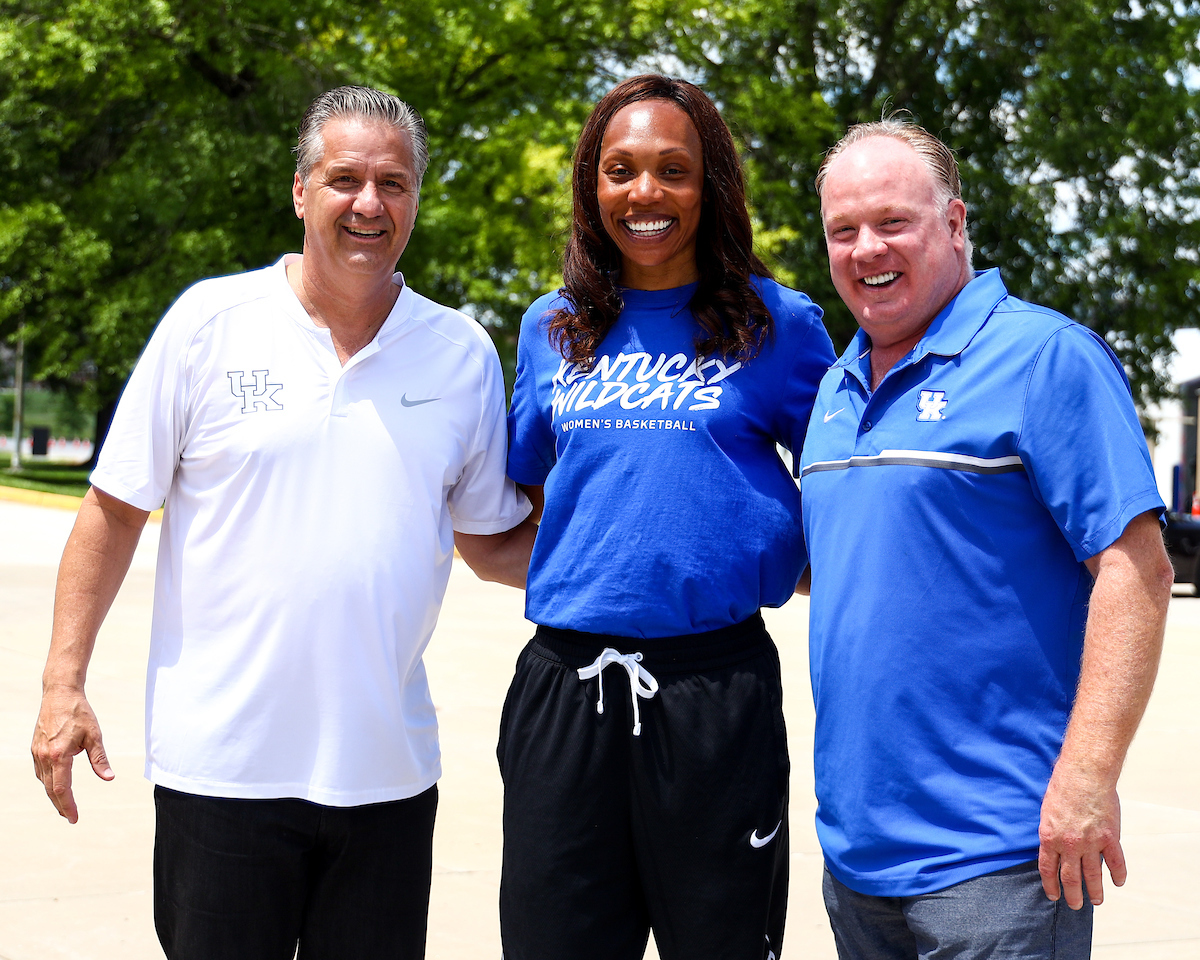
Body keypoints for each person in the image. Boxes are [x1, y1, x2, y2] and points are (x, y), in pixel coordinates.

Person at [31, 85, 535, 960]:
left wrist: (650, 555)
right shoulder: (207, 323)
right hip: (221, 774)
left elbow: (490, 539)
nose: (369, 203)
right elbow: (113, 510)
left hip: (386, 778)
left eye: (395, 182)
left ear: (417, 198)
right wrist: (61, 685)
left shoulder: (461, 353)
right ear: (300, 191)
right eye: (345, 179)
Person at [798, 118, 1174, 959]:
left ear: (956, 222)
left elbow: (1136, 570)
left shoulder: (1045, 359)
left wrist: (1088, 777)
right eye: (843, 230)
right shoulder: (832, 388)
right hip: (856, 865)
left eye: (893, 221)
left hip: (999, 864)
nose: (867, 248)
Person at [500, 74, 836, 960]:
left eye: (672, 170)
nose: (644, 193)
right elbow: (536, 489)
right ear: (592, 186)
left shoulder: (782, 324)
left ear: (710, 185)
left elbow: (840, 488)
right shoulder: (553, 327)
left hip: (716, 692)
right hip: (564, 689)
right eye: (620, 170)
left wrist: (758, 551)